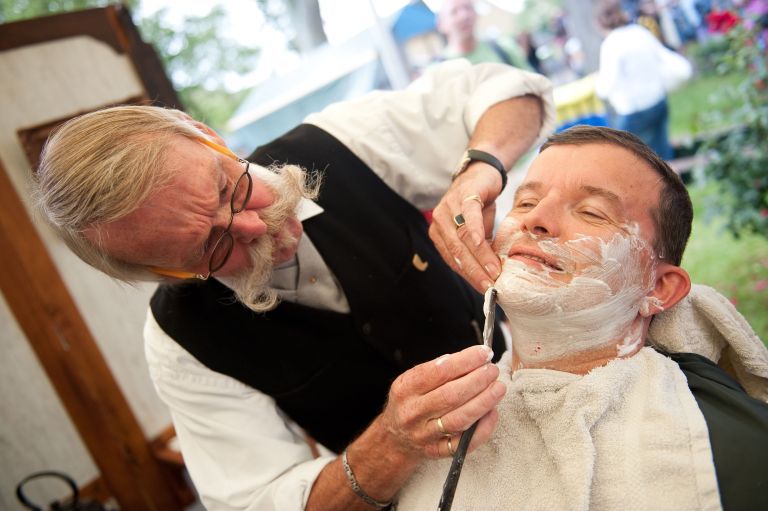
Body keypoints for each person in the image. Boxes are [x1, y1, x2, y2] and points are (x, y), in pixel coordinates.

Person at [33, 60, 555, 510]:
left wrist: (480, 165)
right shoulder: (181, 342)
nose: (255, 226)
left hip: (537, 390)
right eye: (212, 247)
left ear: (205, 135)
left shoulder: (338, 144)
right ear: (170, 271)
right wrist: (392, 444)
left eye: (229, 186)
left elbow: (512, 91)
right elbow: (259, 501)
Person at [396, 125, 768, 510]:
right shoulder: (427, 433)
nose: (535, 219)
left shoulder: (730, 453)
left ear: (658, 289)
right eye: (524, 202)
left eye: (591, 212)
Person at [595, 0, 691, 160]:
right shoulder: (640, 32)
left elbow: (606, 86)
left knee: (620, 156)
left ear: (600, 23)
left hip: (634, 111)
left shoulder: (611, 44)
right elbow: (666, 57)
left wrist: (597, 86)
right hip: (658, 102)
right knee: (662, 157)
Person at [436, 0, 531, 69]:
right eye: (454, 12)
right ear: (441, 24)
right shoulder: (438, 70)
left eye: (468, 8)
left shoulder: (503, 48)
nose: (464, 16)